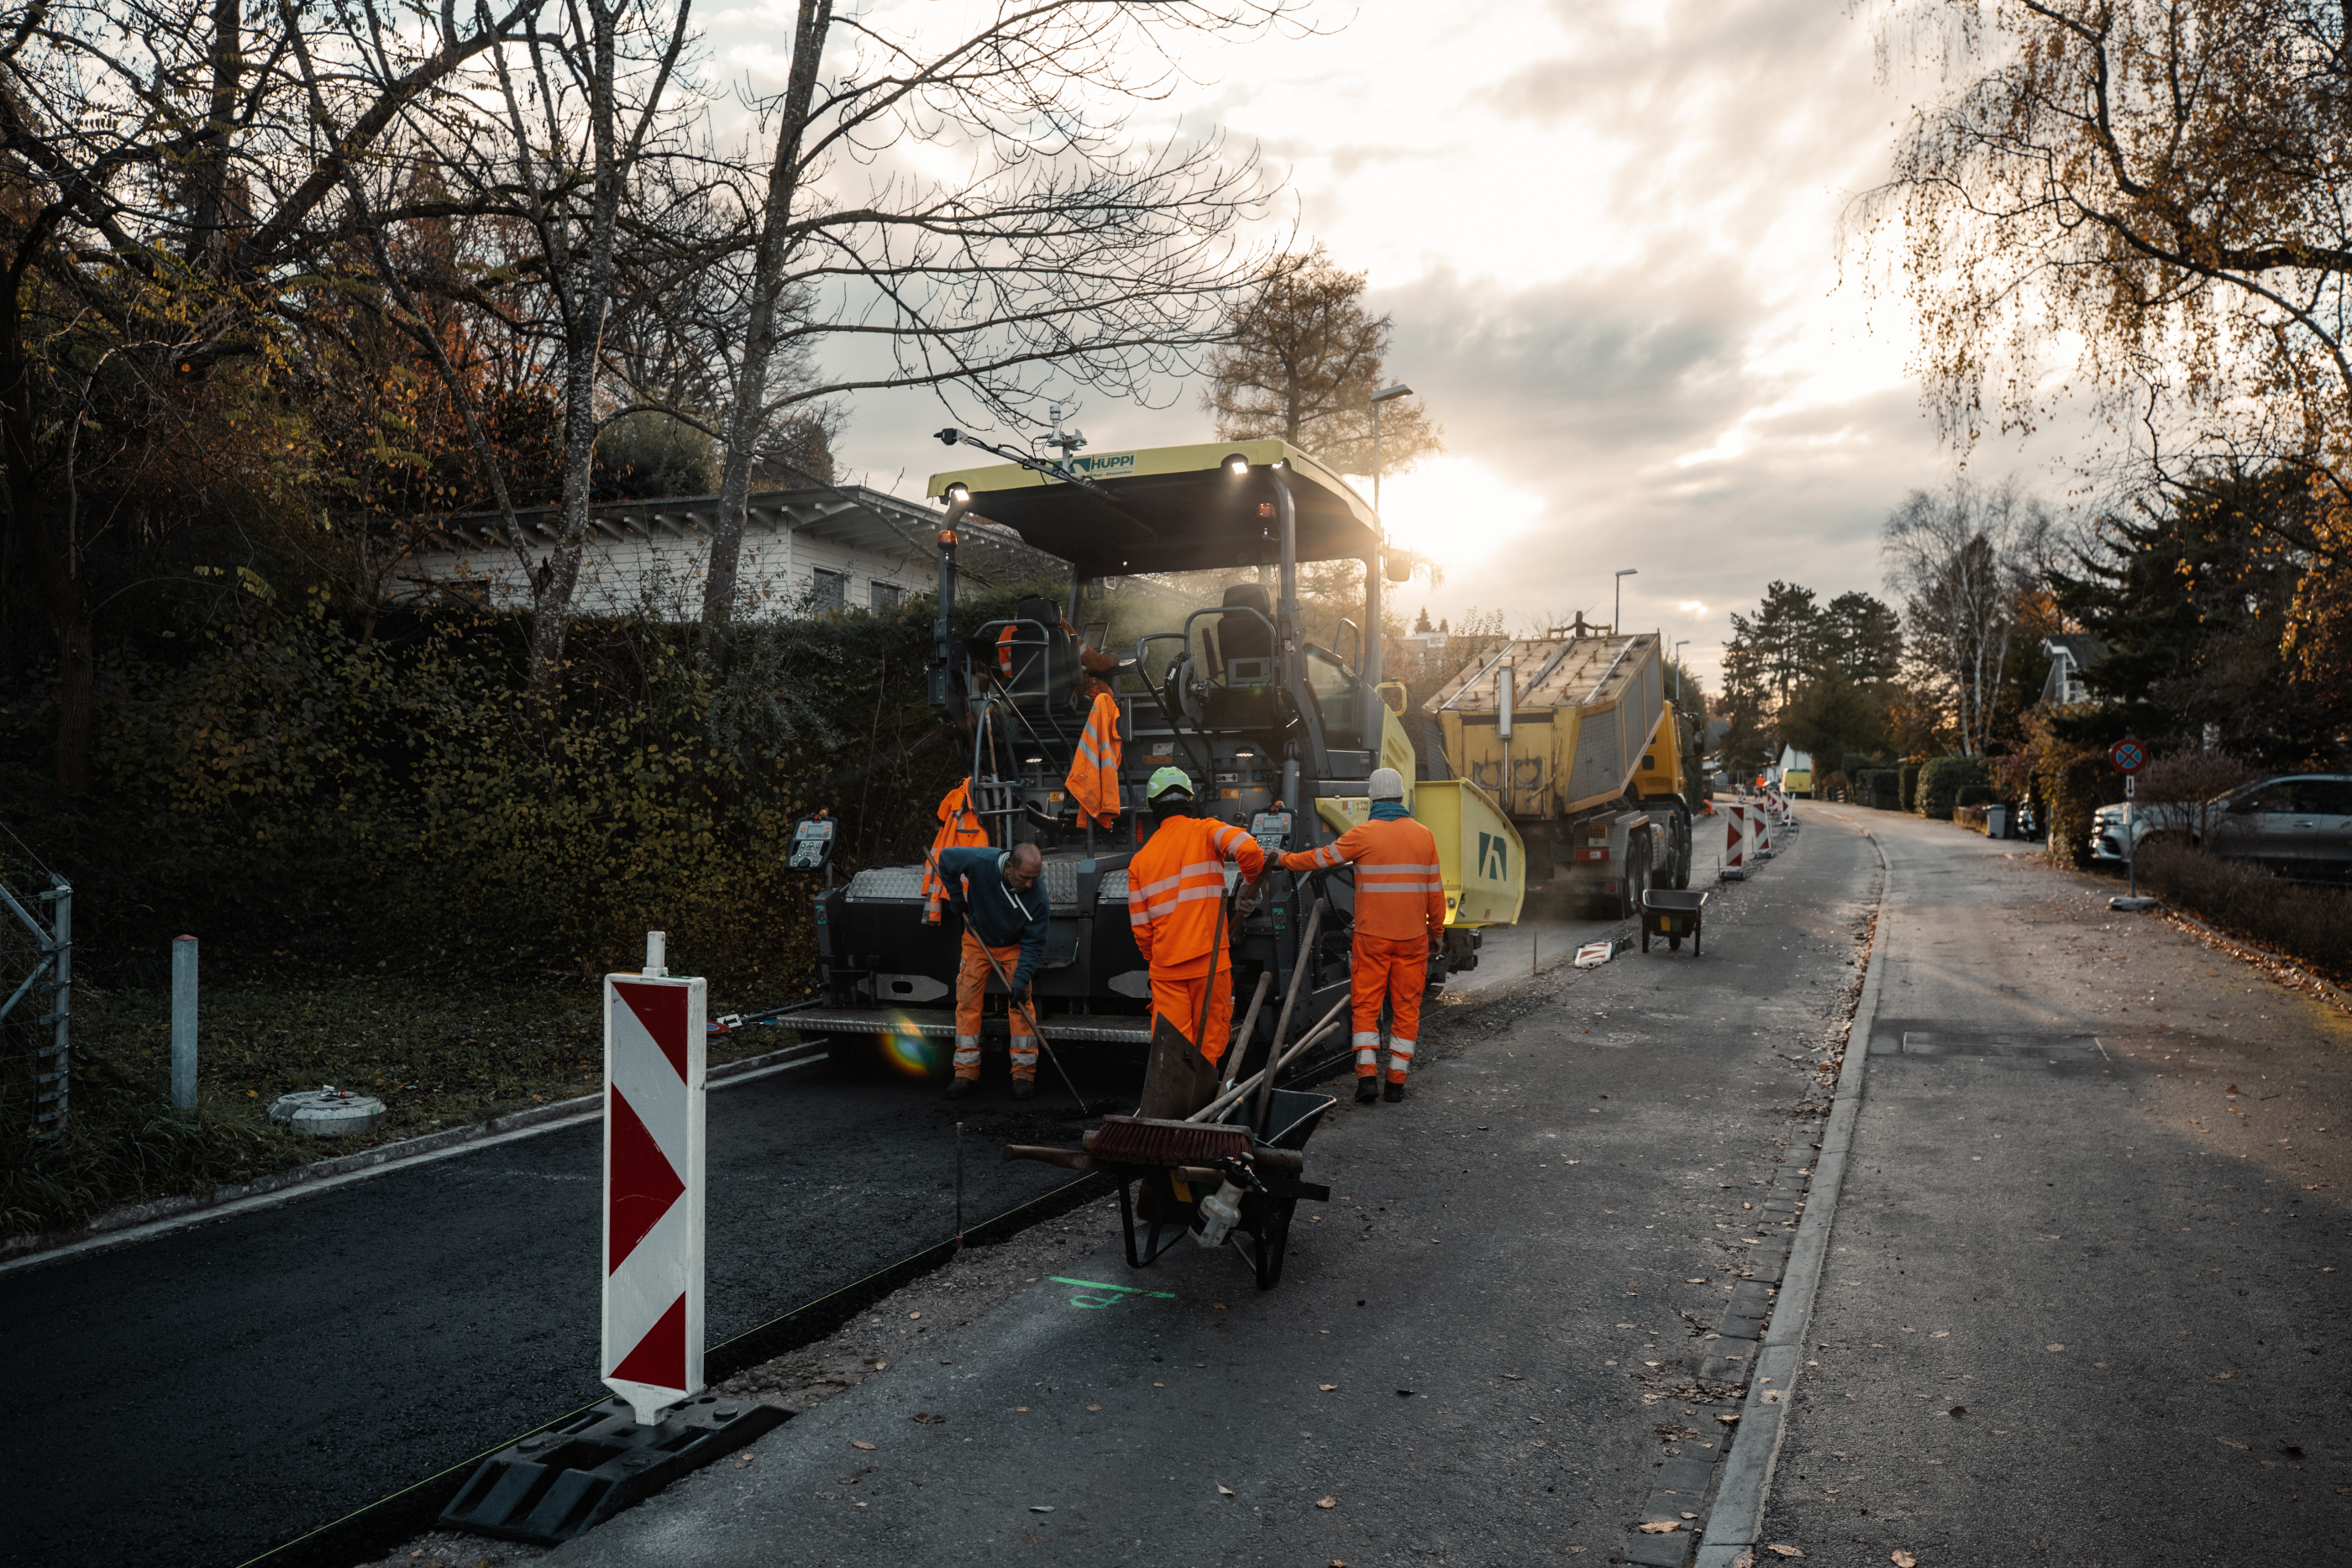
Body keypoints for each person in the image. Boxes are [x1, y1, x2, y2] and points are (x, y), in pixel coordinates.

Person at [1278, 768, 1445, 1104]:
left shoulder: (1362, 834)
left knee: (1366, 1006)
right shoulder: (1424, 836)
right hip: (1412, 939)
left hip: (1372, 939)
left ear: (1372, 798)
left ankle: (1367, 1080)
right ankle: (1396, 1083)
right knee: (1407, 1007)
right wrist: (1436, 932)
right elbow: (1435, 893)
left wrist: (1282, 859)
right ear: (1400, 797)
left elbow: (1319, 859)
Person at [1125, 767, 1265, 1070]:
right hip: (1210, 964)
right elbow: (1249, 848)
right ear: (1189, 801)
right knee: (1206, 1049)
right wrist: (1250, 886)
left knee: (1173, 1051)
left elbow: (1141, 931)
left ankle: (1178, 1105)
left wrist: (1158, 959)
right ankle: (1201, 1107)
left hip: (1166, 970)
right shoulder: (1206, 830)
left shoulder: (1139, 861)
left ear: (1153, 807)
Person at [932, 842, 1051, 1100]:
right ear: (1009, 867)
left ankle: (1023, 1075)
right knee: (967, 1001)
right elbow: (947, 859)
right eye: (1025, 878)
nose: (1031, 884)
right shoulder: (979, 861)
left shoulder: (1038, 898)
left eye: (1035, 878)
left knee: (1020, 1004)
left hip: (1014, 946)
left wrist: (1020, 982)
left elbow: (1034, 944)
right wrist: (956, 898)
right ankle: (965, 1072)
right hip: (978, 939)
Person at [918, 778, 989, 924]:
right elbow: (944, 858)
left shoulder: (958, 805)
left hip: (970, 898)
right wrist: (956, 898)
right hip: (966, 898)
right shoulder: (959, 808)